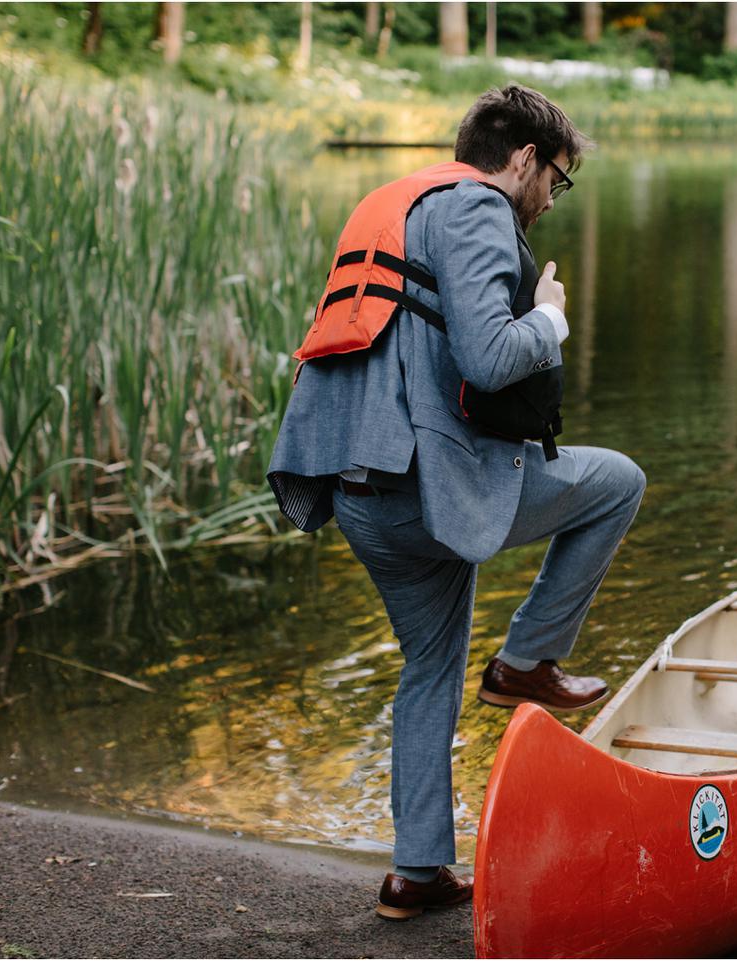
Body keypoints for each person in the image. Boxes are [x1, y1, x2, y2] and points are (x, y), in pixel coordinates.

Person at [267, 85, 646, 921]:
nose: (551, 196)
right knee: (618, 481)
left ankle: (417, 872)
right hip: (428, 489)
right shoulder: (476, 210)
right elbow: (485, 353)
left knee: (429, 666)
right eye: (557, 177)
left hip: (359, 490)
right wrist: (549, 320)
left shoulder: (395, 203)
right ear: (521, 159)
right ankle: (525, 661)